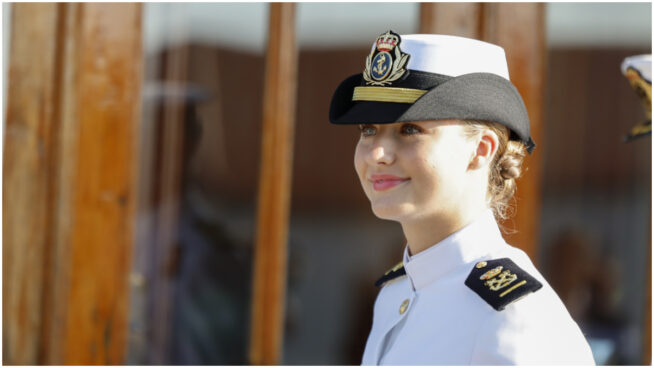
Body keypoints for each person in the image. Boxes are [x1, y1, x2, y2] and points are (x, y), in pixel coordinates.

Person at [329, 31, 596, 365]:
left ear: (480, 150)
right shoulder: (395, 293)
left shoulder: (514, 319)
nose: (378, 153)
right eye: (368, 129)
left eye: (410, 129)